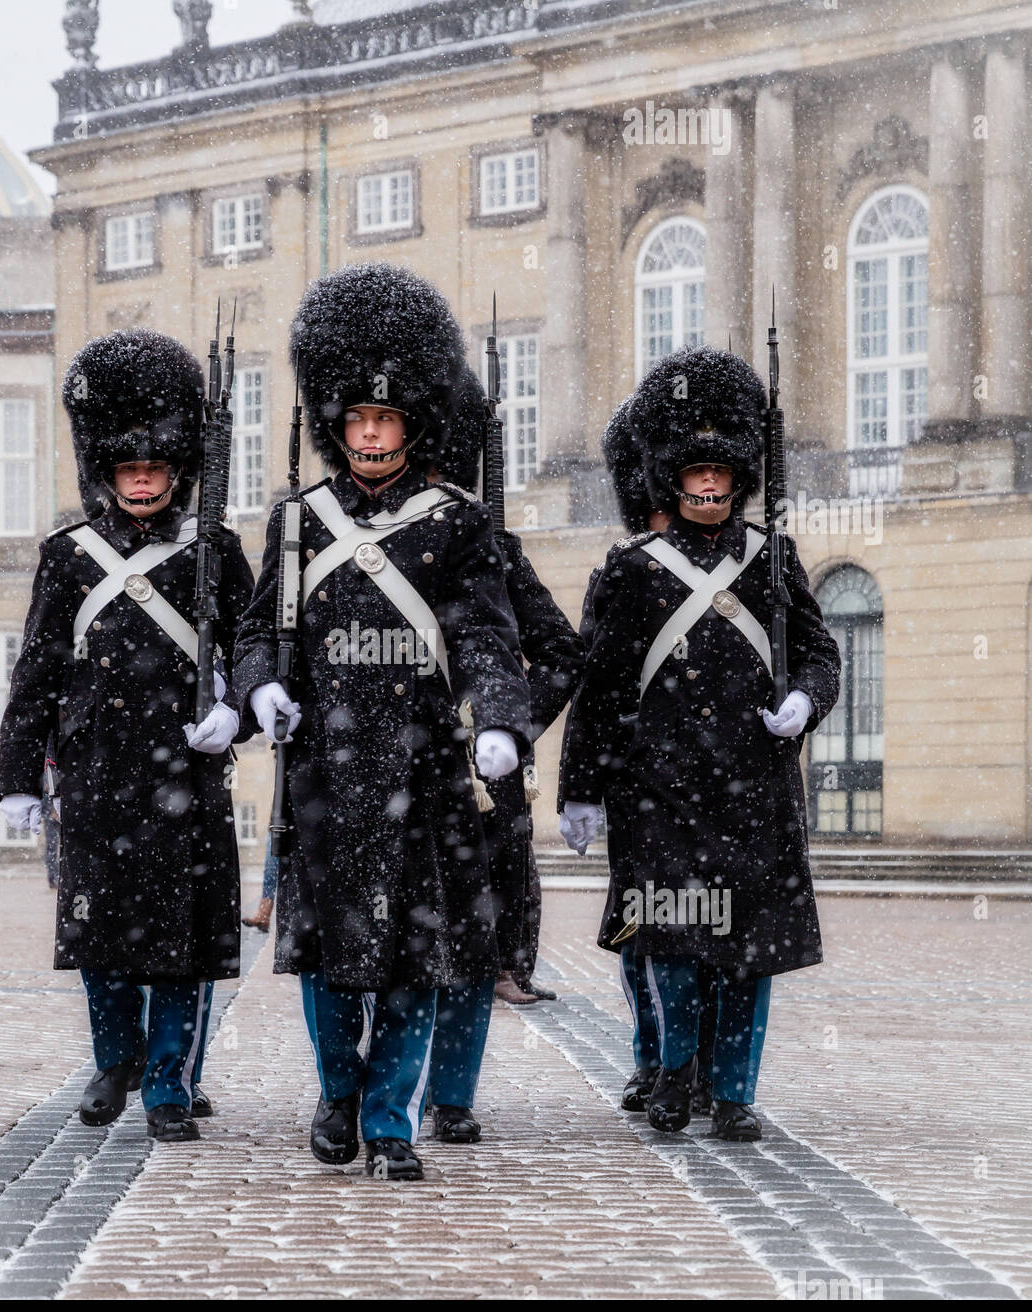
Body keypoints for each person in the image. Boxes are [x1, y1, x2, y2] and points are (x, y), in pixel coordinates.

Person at [231, 262, 532, 1180]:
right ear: (337, 425)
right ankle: (337, 1092)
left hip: (424, 768)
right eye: (356, 419)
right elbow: (258, 633)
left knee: (412, 960)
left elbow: (486, 629)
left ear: (411, 427)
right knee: (328, 961)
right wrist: (261, 688)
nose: (369, 434)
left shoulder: (457, 524)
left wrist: (499, 721)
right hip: (327, 771)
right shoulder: (298, 522)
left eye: (386, 420)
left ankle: (392, 1121)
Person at [558, 347, 840, 1140]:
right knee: (673, 948)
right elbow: (602, 689)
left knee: (745, 956)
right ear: (672, 480)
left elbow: (820, 655)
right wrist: (581, 789)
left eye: (721, 471)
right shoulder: (632, 569)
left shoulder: (774, 559)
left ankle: (734, 1089)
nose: (709, 485)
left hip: (753, 786)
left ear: (740, 475)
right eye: (695, 473)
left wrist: (803, 701)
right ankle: (674, 1074)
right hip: (663, 792)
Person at [0, 329, 254, 1143]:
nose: (141, 480)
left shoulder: (215, 551)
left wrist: (235, 713)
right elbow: (37, 669)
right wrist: (15, 778)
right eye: (127, 468)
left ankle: (171, 1083)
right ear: (106, 472)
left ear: (178, 470)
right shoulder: (67, 556)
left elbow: (254, 653)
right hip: (99, 773)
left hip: (186, 768)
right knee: (99, 936)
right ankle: (117, 1060)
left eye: (154, 467)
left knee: (183, 945)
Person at [419, 364, 585, 1143]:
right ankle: (382, 1094)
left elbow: (560, 653)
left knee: (472, 945)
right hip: (392, 770)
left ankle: (450, 1095)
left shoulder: (495, 549)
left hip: (481, 786)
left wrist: (506, 724)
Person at [593, 393, 717, 1119]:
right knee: (647, 931)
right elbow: (600, 676)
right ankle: (658, 1057)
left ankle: (692, 1061)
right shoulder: (627, 567)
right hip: (644, 782)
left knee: (708, 933)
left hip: (706, 779)